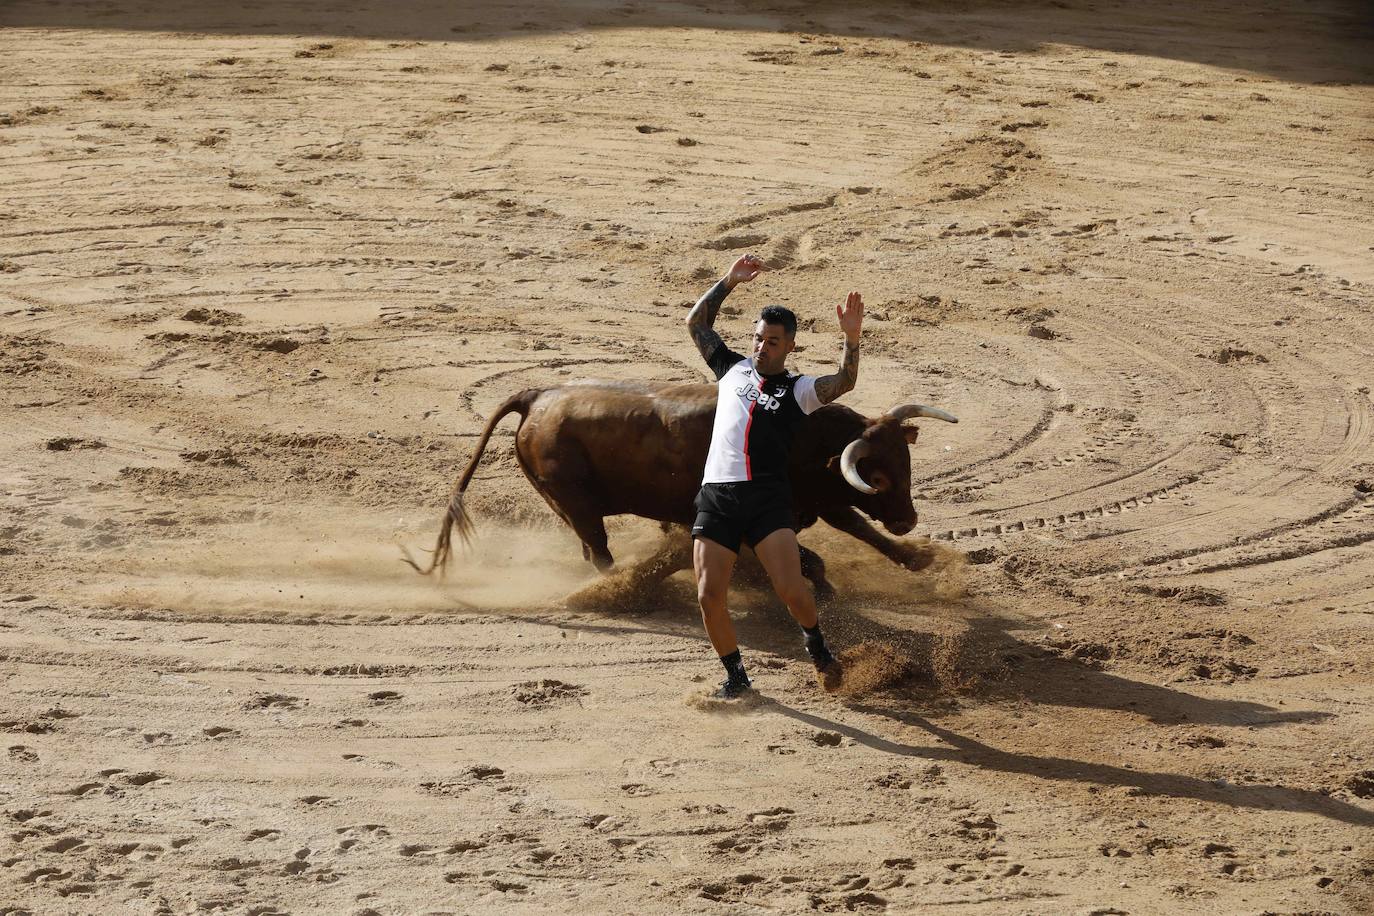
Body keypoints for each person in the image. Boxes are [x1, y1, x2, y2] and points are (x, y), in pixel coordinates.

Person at [686, 253, 863, 698]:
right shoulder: (730, 368)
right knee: (709, 597)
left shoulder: (799, 390)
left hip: (766, 499)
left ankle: (818, 647)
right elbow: (696, 323)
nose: (761, 347)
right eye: (758, 338)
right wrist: (728, 281)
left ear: (789, 347)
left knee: (792, 592)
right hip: (718, 496)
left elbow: (844, 381)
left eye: (771, 342)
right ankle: (737, 678)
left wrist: (852, 340)